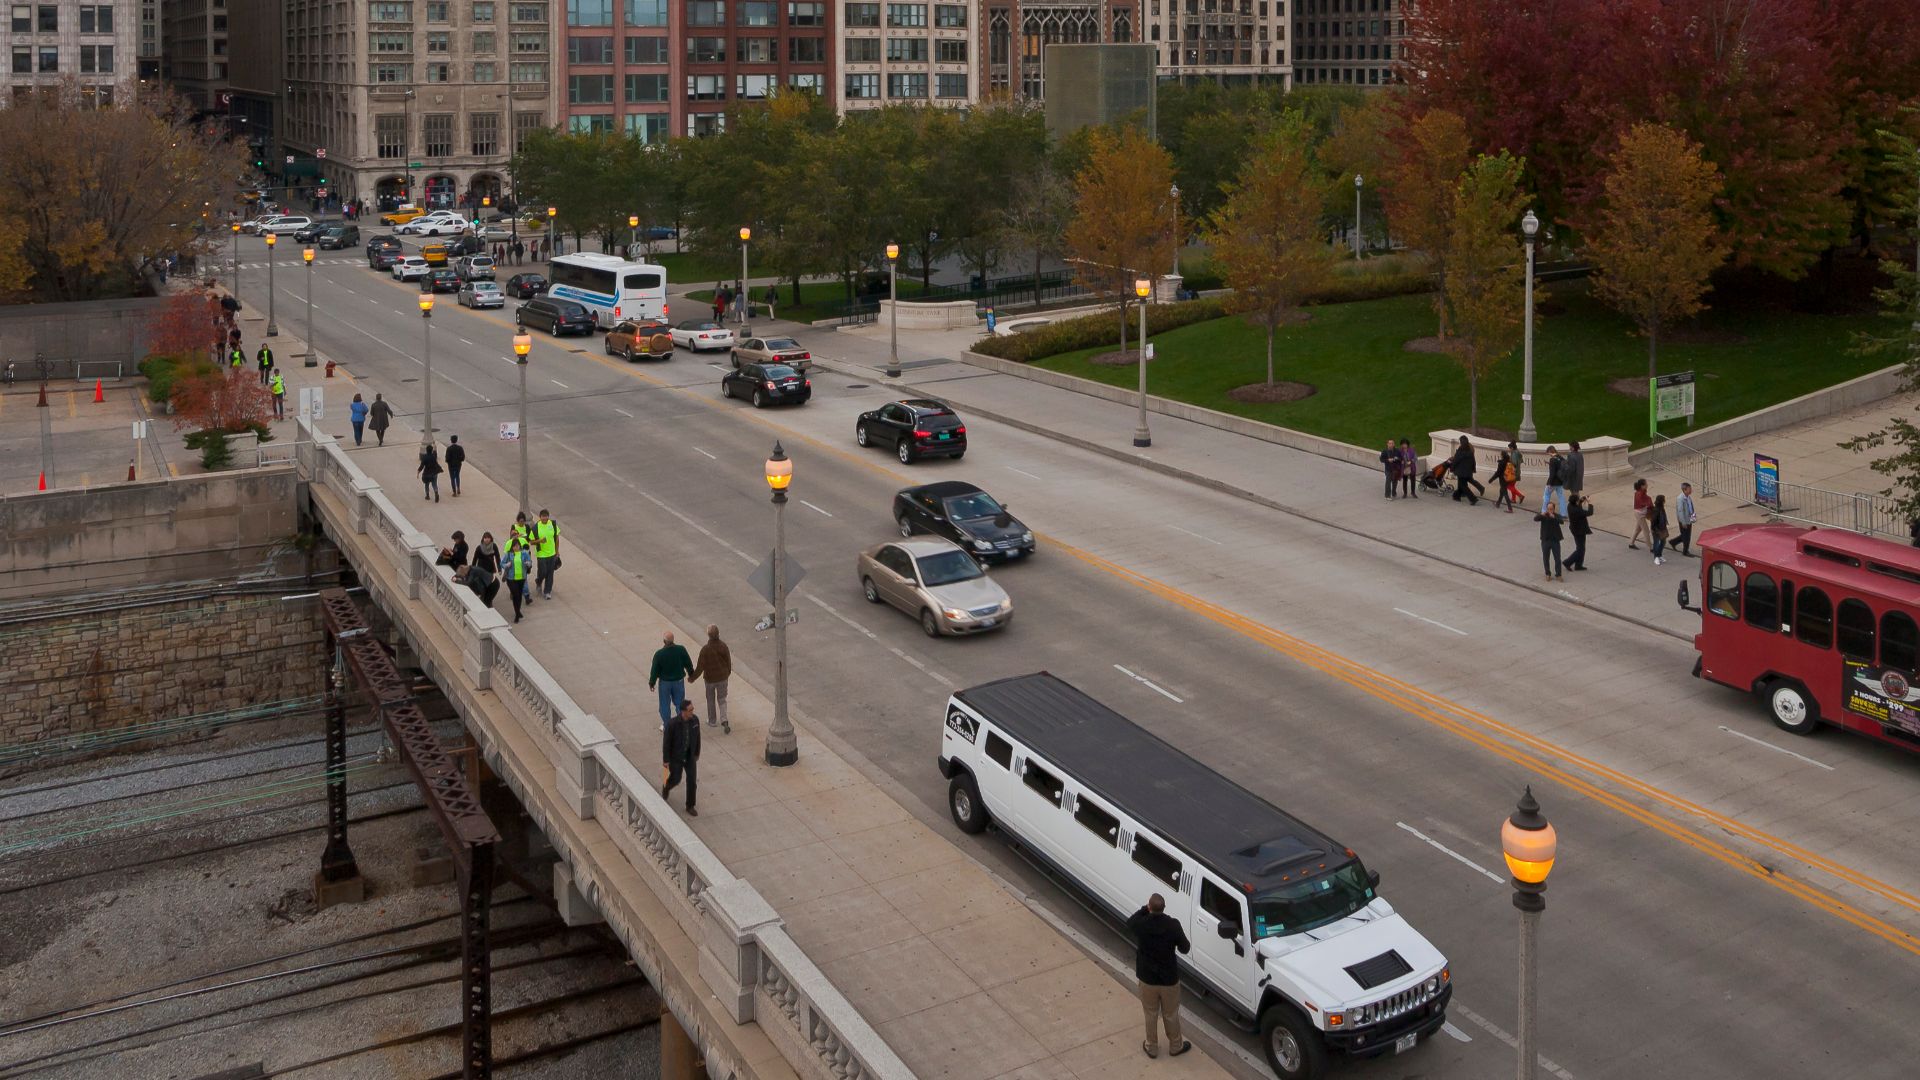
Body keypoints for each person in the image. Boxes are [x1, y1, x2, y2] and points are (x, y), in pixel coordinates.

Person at [1125, 894, 1191, 1059]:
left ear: (1149, 907)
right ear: (1164, 907)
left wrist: (1144, 909)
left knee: (1150, 1013)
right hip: (1169, 979)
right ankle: (1175, 1046)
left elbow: (1130, 922)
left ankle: (1152, 1047)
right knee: (1171, 1014)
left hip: (1147, 978)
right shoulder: (1173, 925)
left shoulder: (1141, 925)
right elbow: (1185, 948)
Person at [649, 630, 696, 732]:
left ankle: (668, 725)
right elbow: (688, 663)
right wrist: (691, 674)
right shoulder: (681, 649)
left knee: (664, 705)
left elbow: (654, 670)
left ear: (664, 641)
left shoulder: (659, 654)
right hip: (678, 681)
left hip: (665, 683)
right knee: (680, 704)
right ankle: (682, 724)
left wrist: (652, 682)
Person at [661, 698, 701, 817]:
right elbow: (666, 743)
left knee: (692, 781)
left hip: (690, 756)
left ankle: (690, 805)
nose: (692, 712)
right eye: (690, 710)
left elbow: (698, 737)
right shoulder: (672, 724)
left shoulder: (695, 720)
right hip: (676, 757)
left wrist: (697, 753)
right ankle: (666, 787)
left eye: (692, 709)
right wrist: (666, 760)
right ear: (683, 711)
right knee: (676, 778)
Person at [692, 624, 732, 733]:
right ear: (718, 634)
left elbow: (700, 667)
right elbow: (728, 662)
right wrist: (727, 673)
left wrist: (693, 677)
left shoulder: (705, 649)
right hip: (722, 677)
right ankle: (724, 720)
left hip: (710, 679)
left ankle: (712, 720)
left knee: (710, 699)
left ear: (708, 635)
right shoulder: (723, 646)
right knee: (722, 699)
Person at [502, 536, 534, 622]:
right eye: (514, 546)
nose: (516, 547)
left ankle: (518, 611)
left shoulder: (524, 554)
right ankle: (517, 615)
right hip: (511, 579)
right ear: (512, 547)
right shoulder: (509, 554)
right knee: (515, 595)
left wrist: (528, 563)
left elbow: (530, 562)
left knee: (519, 596)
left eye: (517, 546)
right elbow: (502, 563)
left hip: (521, 578)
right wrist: (506, 565)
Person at [533, 508, 561, 599]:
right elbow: (531, 542)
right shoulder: (536, 527)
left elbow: (557, 538)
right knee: (543, 571)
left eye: (546, 516)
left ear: (548, 517)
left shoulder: (552, 525)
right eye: (543, 516)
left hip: (552, 553)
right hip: (541, 554)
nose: (544, 518)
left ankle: (547, 592)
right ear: (540, 517)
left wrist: (557, 551)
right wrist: (539, 541)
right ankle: (539, 581)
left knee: (550, 573)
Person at [1450, 436, 1483, 505]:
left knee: (1463, 486)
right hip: (1468, 471)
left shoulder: (1460, 451)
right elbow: (1473, 461)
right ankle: (1456, 496)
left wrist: (1452, 468)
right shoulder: (1470, 451)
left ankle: (1473, 499)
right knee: (1461, 485)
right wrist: (1473, 469)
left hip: (1461, 472)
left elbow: (1456, 460)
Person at [1535, 506, 1565, 581]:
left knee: (1557, 558)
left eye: (1551, 509)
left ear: (1554, 509)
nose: (1549, 510)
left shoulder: (1556, 515)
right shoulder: (1543, 515)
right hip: (1545, 540)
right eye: (1548, 509)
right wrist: (1541, 515)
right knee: (1546, 558)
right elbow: (1535, 519)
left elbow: (1562, 522)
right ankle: (1547, 574)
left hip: (1555, 541)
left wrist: (1554, 517)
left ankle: (1558, 574)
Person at [1565, 496, 1593, 571]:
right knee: (1580, 549)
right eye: (1578, 500)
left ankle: (1578, 565)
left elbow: (1577, 504)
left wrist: (1581, 500)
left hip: (1575, 529)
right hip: (1579, 531)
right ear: (1576, 502)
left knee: (1581, 548)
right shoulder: (1577, 511)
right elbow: (1590, 512)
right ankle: (1567, 562)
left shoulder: (1570, 505)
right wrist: (1589, 503)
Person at [1541, 447, 1567, 517]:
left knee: (1546, 495)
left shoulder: (1552, 459)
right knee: (1561, 497)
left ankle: (1544, 511)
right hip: (1560, 481)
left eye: (1548, 453)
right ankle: (1563, 513)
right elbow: (1558, 467)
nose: (1548, 455)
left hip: (1553, 482)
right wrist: (1549, 463)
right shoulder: (1560, 458)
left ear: (1550, 451)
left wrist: (1549, 483)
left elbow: (1552, 473)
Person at [1676, 482, 1698, 557]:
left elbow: (1690, 507)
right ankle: (1685, 551)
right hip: (1684, 521)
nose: (1691, 490)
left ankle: (1673, 542)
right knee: (1686, 537)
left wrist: (1693, 517)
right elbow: (1680, 511)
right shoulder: (1680, 499)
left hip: (1689, 519)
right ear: (1684, 490)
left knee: (1686, 535)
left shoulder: (1688, 497)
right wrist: (1683, 522)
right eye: (1689, 489)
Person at [1629, 479, 1652, 549]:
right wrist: (1648, 503)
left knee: (1638, 529)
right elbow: (1642, 502)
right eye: (1646, 484)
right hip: (1640, 514)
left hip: (1640, 513)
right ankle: (1651, 548)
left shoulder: (1641, 492)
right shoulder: (1639, 494)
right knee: (1646, 531)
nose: (1647, 485)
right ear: (1642, 486)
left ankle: (1631, 543)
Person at [1650, 493, 1671, 565]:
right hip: (1656, 529)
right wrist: (1653, 529)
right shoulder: (1656, 510)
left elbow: (1664, 517)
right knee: (1656, 543)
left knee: (1663, 542)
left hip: (1662, 528)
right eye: (1664, 500)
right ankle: (1656, 557)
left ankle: (1659, 555)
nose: (1665, 501)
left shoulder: (1661, 508)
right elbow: (1653, 521)